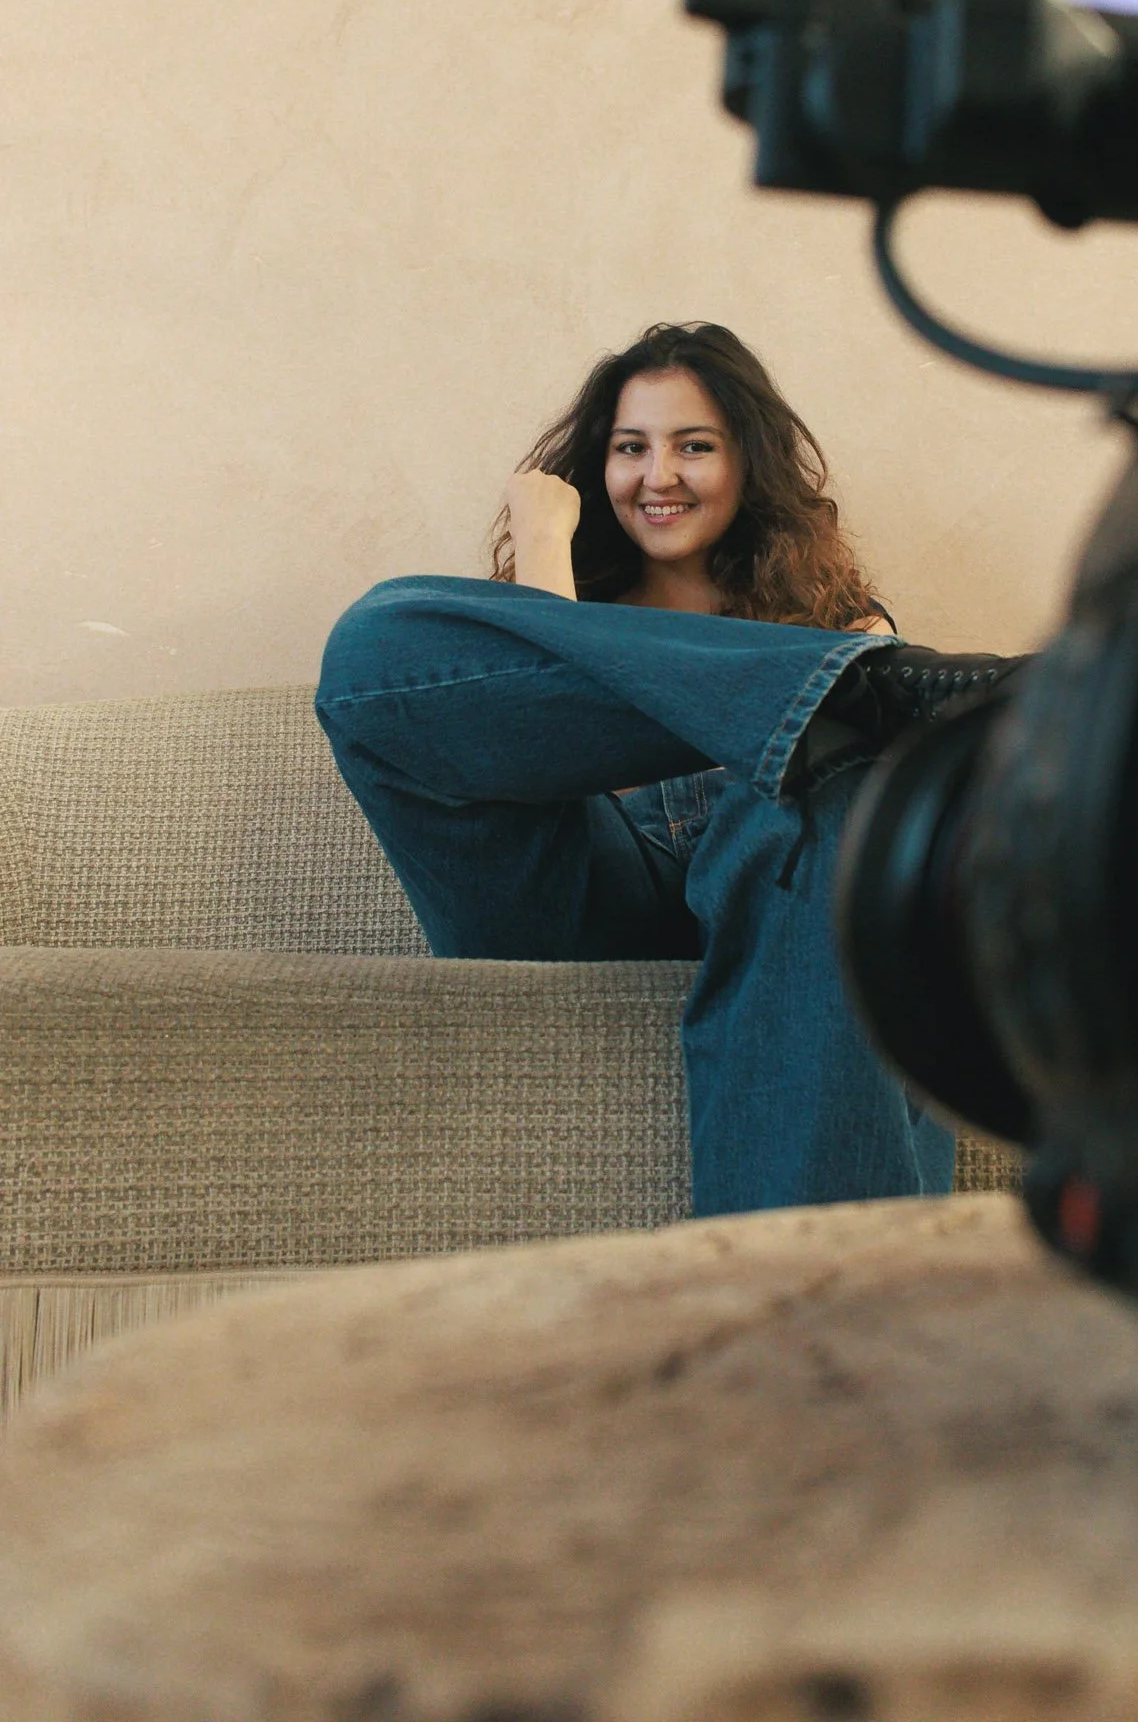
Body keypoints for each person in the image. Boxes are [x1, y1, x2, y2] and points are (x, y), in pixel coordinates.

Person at [316, 322, 1022, 1215]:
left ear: (748, 463)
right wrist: (544, 536)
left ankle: (805, 1299)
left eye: (695, 446)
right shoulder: (560, 610)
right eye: (629, 448)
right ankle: (832, 697)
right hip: (579, 893)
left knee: (833, 790)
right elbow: (545, 757)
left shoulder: (836, 612)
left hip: (781, 885)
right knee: (374, 648)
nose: (658, 476)